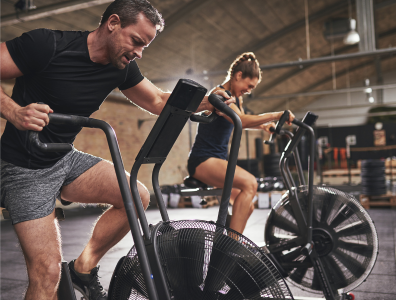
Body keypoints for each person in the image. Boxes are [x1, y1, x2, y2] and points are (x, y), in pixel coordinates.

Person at [0, 0, 232, 299]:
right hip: (24, 168)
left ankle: (83, 268)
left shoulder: (121, 67)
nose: (138, 52)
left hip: (63, 157)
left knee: (137, 196)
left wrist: (208, 100)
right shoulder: (47, 44)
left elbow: (159, 102)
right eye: (136, 41)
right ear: (112, 24)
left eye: (145, 46)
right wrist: (14, 112)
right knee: (46, 275)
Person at [187, 52, 295, 235]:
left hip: (217, 159)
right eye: (249, 85)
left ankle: (227, 239)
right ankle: (231, 247)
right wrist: (276, 115)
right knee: (250, 184)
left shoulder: (236, 99)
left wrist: (263, 126)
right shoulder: (219, 95)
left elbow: (237, 122)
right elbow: (242, 120)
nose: (249, 90)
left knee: (248, 207)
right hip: (203, 160)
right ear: (238, 76)